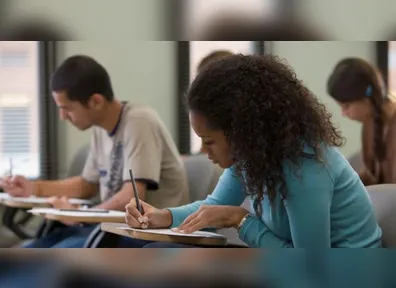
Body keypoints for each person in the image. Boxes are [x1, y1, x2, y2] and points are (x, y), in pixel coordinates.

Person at [125, 54, 382, 248]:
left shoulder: (305, 168)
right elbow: (214, 207)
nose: (203, 150)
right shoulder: (252, 156)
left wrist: (240, 220)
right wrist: (164, 216)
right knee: (160, 251)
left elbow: (311, 271)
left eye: (209, 141)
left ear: (242, 132)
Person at [0, 55, 189, 248]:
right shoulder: (101, 128)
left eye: (67, 108)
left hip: (141, 235)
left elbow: (131, 196)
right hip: (108, 228)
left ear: (95, 101)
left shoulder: (139, 121)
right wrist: (33, 188)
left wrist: (79, 215)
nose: (63, 116)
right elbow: (86, 185)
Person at [327, 57, 396, 186]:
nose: (343, 113)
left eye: (346, 106)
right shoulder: (369, 123)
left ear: (365, 98)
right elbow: (373, 177)